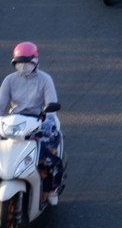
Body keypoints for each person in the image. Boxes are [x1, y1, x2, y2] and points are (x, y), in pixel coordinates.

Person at [0, 43, 63, 205]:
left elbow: (51, 104)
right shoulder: (9, 80)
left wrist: (48, 122)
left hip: (38, 121)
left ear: (35, 62)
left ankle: (50, 188)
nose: (24, 67)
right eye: (20, 63)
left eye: (27, 63)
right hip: (15, 122)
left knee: (49, 154)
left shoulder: (45, 79)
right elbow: (1, 104)